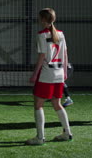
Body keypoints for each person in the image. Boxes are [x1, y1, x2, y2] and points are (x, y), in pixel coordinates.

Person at [26, 8, 72, 145]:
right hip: (58, 74)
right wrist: (64, 72)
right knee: (57, 103)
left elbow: (42, 56)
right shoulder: (61, 34)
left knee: (38, 104)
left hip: (46, 74)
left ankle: (40, 138)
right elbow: (65, 55)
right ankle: (67, 132)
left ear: (43, 20)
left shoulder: (41, 35)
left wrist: (34, 74)